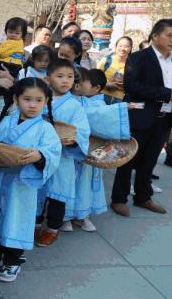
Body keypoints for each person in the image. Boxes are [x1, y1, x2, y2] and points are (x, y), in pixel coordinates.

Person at [0, 77, 61, 282]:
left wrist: (40, 155)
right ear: (17, 99)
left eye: (38, 100)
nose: (33, 105)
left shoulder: (45, 128)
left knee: (15, 220)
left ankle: (12, 262)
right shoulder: (5, 120)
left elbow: (53, 152)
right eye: (27, 99)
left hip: (21, 185)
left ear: (46, 101)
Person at [110, 19, 172, 217]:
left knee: (150, 160)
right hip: (141, 115)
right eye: (170, 35)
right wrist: (166, 94)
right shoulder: (139, 58)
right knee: (128, 159)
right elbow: (131, 85)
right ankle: (119, 199)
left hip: (165, 118)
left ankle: (143, 197)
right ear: (155, 36)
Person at [61, 69, 130, 232]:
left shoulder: (94, 102)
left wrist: (118, 109)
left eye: (84, 81)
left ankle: (82, 215)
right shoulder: (69, 101)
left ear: (95, 88)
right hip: (71, 150)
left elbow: (98, 116)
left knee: (85, 185)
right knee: (68, 184)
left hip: (89, 150)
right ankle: (65, 216)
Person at [35, 59, 90, 247]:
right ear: (48, 79)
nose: (65, 81)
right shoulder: (39, 98)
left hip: (63, 158)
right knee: (35, 191)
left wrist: (74, 140)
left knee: (58, 195)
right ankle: (33, 224)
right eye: (59, 76)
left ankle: (52, 229)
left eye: (69, 77)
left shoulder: (75, 106)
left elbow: (82, 131)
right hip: (39, 155)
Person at [0, 17, 28, 118]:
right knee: (4, 86)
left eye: (17, 33)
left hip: (9, 65)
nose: (13, 35)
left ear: (22, 35)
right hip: (11, 65)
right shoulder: (12, 42)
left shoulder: (14, 43)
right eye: (10, 32)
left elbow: (2, 53)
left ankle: (2, 106)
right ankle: (6, 105)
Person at [97, 36, 133, 104]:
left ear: (130, 48)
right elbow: (95, 77)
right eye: (120, 46)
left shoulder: (132, 65)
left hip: (119, 100)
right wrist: (106, 84)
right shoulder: (106, 61)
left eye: (126, 46)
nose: (122, 49)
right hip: (102, 96)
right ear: (116, 47)